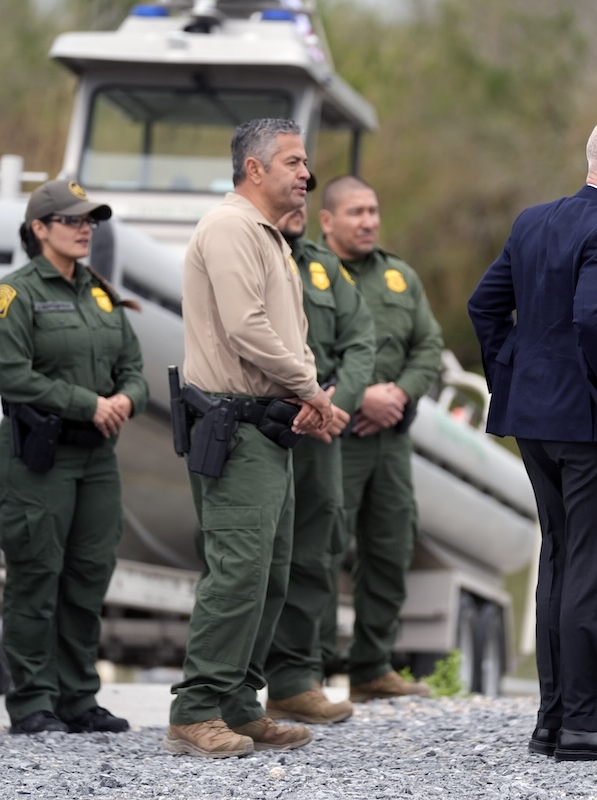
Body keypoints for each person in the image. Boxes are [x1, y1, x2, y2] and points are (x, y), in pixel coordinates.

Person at [466, 115, 597, 762]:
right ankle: (586, 722)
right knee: (592, 570)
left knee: (559, 562)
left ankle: (554, 722)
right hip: (589, 425)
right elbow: (593, 317)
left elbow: (484, 306)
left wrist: (519, 379)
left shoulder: (535, 220)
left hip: (535, 422)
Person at [164, 118, 333, 758]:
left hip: (267, 425)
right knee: (237, 574)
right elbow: (247, 329)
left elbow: (288, 334)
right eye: (293, 162)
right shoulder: (232, 227)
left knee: (268, 576)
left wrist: (303, 390)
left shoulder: (272, 238)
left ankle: (238, 703)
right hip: (233, 427)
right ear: (255, 169)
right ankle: (195, 709)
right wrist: (311, 389)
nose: (305, 174)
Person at [0, 178, 148, 735]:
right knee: (36, 577)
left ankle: (79, 698)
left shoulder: (101, 293)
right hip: (40, 458)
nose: (85, 229)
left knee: (87, 577)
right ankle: (32, 702)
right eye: (73, 220)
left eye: (90, 220)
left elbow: (134, 367)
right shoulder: (15, 295)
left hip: (97, 459)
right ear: (39, 229)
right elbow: (11, 375)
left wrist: (126, 397)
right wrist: (87, 403)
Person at [317, 175, 444, 702]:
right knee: (319, 549)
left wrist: (401, 395)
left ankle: (372, 668)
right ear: (327, 220)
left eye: (373, 210)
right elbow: (299, 351)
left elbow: (429, 346)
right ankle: (309, 672)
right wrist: (357, 397)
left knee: (391, 546)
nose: (368, 221)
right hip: (331, 434)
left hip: (389, 440)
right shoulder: (309, 274)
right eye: (355, 212)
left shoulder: (399, 276)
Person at [263, 175, 377, 724]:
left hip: (323, 429)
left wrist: (339, 403)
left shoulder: (323, 266)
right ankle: (234, 686)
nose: (300, 200)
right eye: (293, 187)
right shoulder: (249, 249)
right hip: (263, 425)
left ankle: (293, 680)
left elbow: (361, 339)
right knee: (257, 555)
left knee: (316, 549)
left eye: (307, 191)